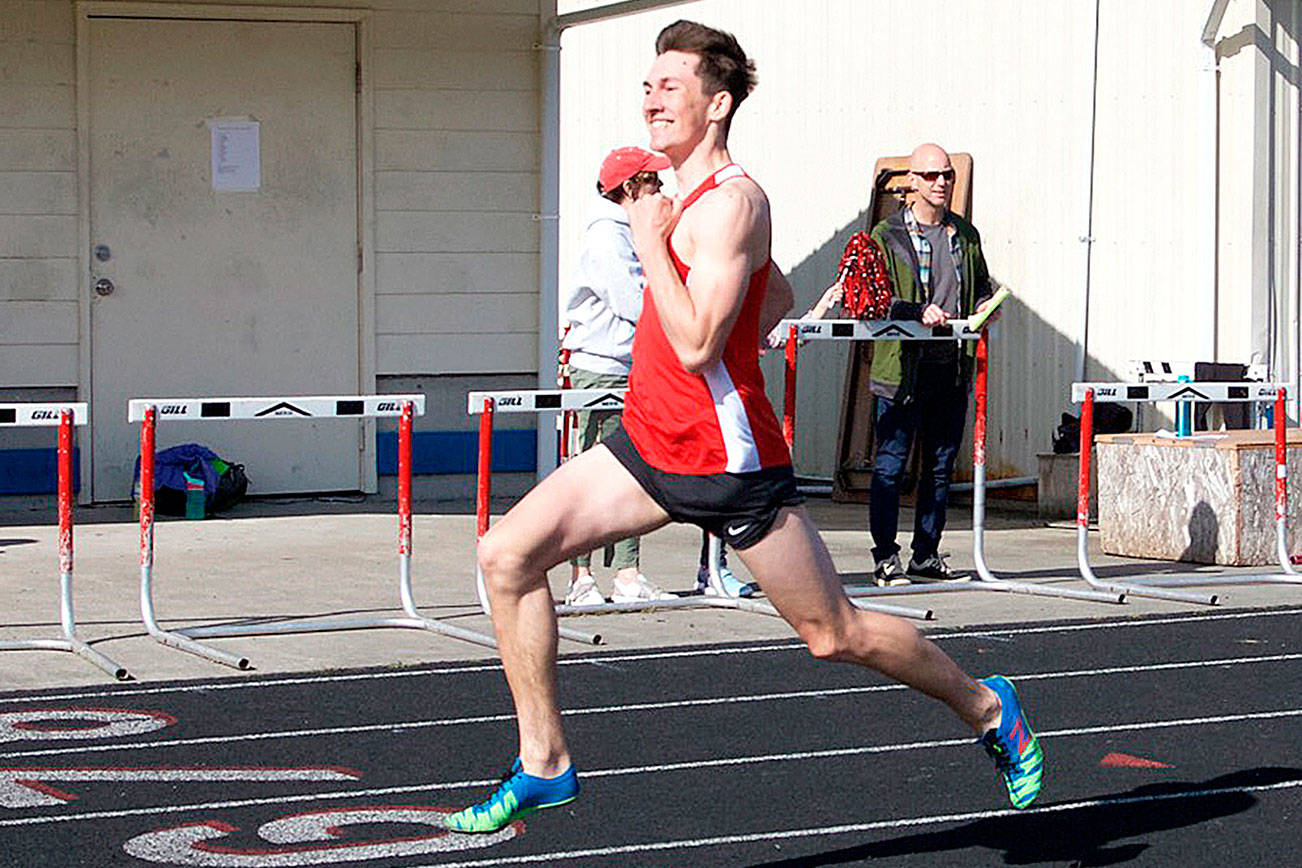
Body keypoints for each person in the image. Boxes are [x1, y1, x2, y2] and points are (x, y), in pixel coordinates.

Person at [447, 21, 1041, 834]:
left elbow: (693, 346)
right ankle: (545, 761)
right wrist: (694, 275)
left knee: (835, 634)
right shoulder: (682, 193)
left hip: (727, 459)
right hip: (652, 442)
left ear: (717, 104)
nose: (651, 97)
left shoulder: (732, 202)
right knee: (505, 554)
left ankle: (986, 705)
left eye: (671, 85)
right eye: (647, 84)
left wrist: (649, 240)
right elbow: (778, 297)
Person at [866, 143, 1003, 587]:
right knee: (890, 465)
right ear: (911, 183)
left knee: (940, 466)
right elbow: (875, 299)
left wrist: (986, 305)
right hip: (902, 369)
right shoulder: (886, 235)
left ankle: (925, 554)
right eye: (931, 176)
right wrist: (915, 312)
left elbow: (979, 285)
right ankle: (885, 557)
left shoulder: (964, 235)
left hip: (951, 366)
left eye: (947, 175)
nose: (941, 182)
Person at [560, 146, 675, 607]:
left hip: (632, 368)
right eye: (653, 182)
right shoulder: (608, 238)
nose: (661, 189)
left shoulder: (632, 232)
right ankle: (581, 577)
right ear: (630, 188)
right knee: (589, 474)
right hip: (600, 369)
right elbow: (634, 302)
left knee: (634, 474)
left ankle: (627, 573)